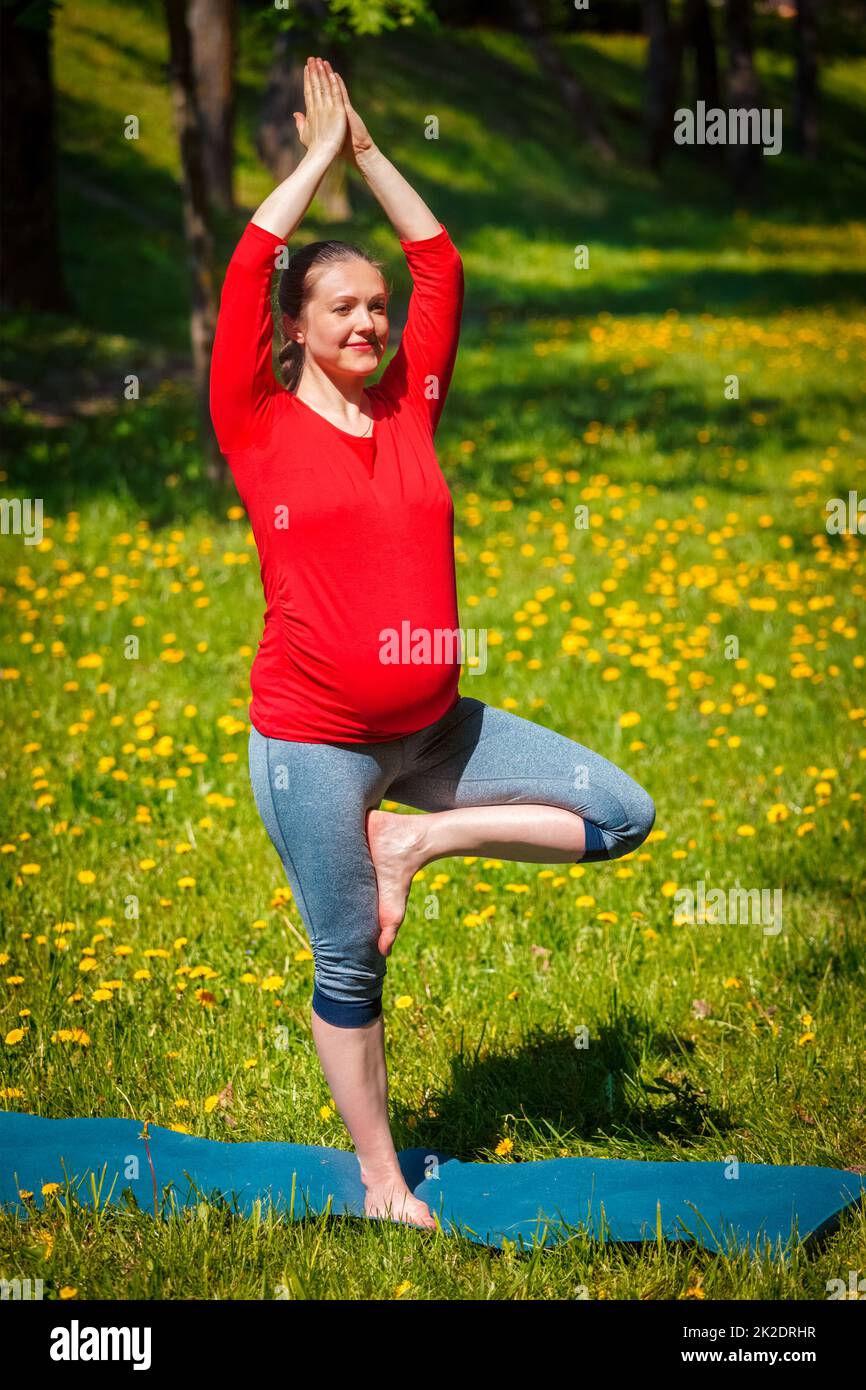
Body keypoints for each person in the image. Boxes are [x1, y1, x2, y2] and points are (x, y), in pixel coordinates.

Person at [209, 56, 656, 1231]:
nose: (367, 321)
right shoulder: (254, 423)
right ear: (296, 330)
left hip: (437, 735)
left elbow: (439, 259)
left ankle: (419, 844)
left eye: (374, 307)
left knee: (619, 812)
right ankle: (380, 1181)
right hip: (318, 747)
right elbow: (251, 261)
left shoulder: (413, 399)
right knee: (349, 963)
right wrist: (308, 163)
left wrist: (364, 151)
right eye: (339, 308)